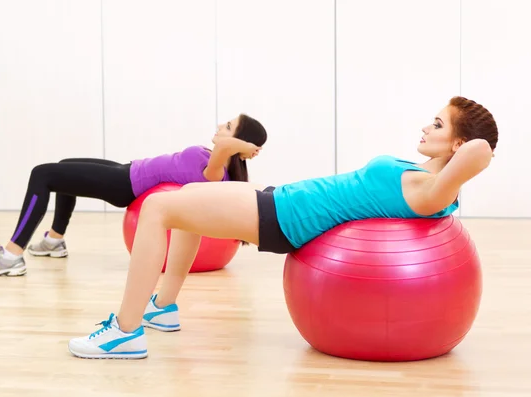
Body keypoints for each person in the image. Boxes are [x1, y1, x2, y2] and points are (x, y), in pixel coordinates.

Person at [68, 96, 499, 359]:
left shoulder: (434, 192)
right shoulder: (421, 175)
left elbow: (478, 152)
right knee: (182, 197)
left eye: (439, 125)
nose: (426, 126)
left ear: (458, 145)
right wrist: (456, 142)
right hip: (281, 199)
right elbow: (467, 153)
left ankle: (124, 333)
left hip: (284, 218)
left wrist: (473, 145)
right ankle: (161, 307)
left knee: (157, 208)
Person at [0, 114, 267, 277]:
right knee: (63, 167)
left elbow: (225, 150)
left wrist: (243, 145)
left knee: (41, 174)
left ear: (237, 144)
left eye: (228, 126)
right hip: (128, 170)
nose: (219, 125)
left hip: (125, 185)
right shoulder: (216, 160)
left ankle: (11, 255)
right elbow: (224, 147)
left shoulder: (217, 171)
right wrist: (241, 143)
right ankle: (54, 241)